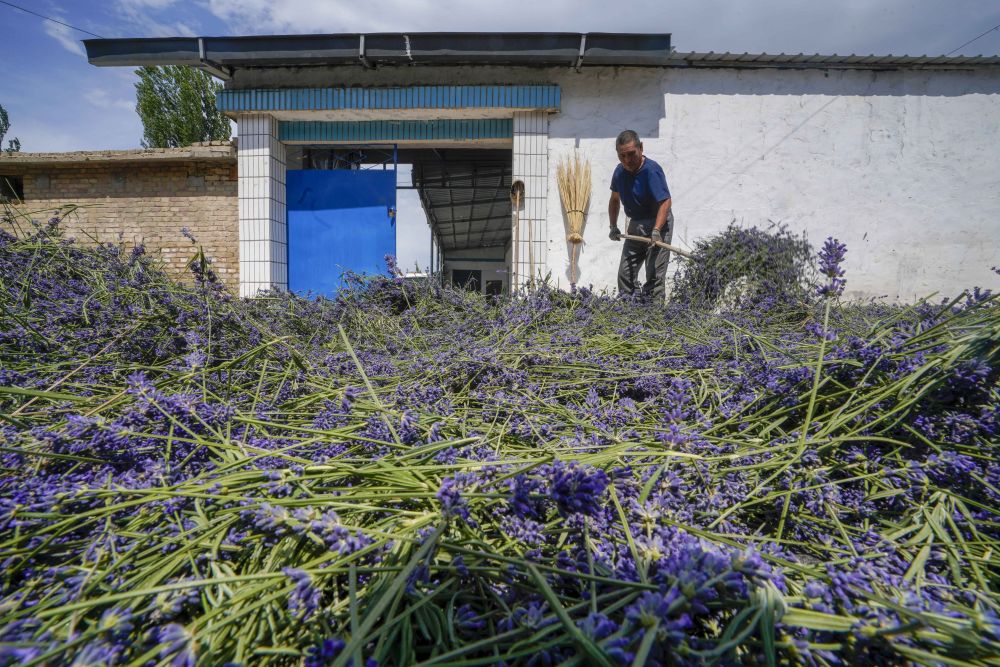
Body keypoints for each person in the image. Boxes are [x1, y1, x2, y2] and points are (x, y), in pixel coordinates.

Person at [608, 130, 674, 301]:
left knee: (654, 276)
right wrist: (613, 226)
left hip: (659, 222)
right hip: (635, 224)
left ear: (641, 148)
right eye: (622, 156)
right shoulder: (619, 172)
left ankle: (655, 318)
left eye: (631, 154)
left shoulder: (652, 171)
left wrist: (657, 230)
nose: (627, 160)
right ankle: (629, 318)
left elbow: (665, 202)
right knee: (625, 274)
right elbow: (614, 200)